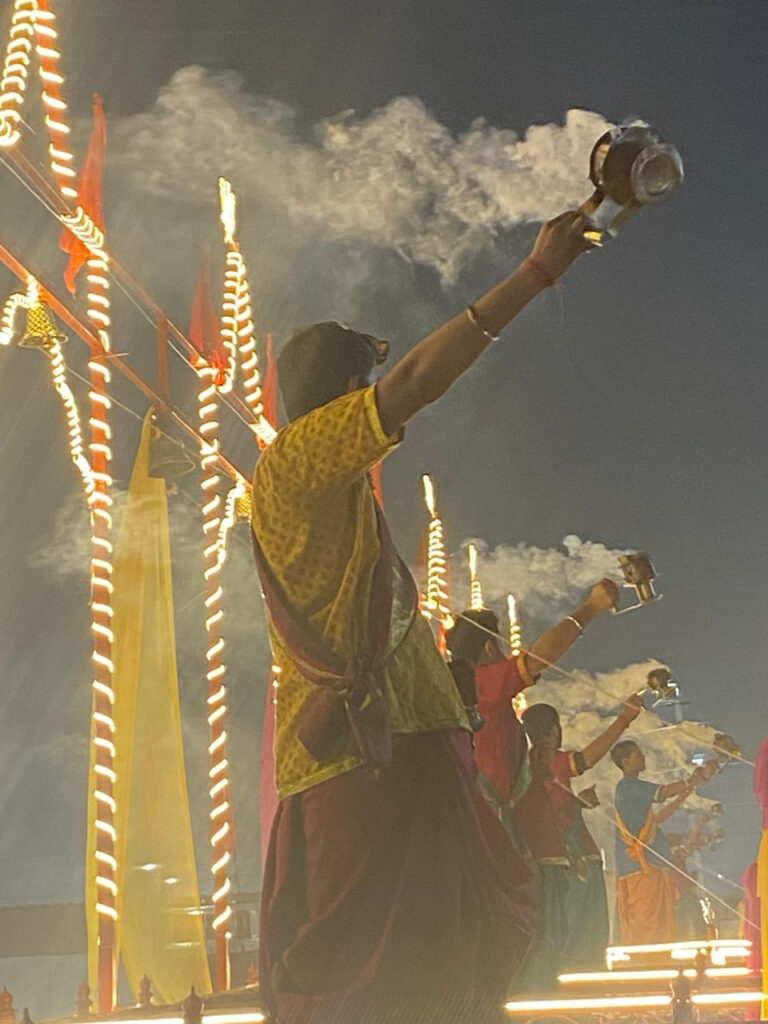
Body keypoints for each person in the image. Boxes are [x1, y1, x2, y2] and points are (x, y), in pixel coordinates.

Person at [251, 211, 596, 1024]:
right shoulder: (295, 459)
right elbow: (411, 384)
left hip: (402, 760)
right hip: (363, 771)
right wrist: (536, 274)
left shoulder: (337, 501)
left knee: (440, 968)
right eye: (357, 391)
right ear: (338, 401)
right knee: (376, 985)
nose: (376, 412)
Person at [445, 580, 619, 827]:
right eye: (501, 643)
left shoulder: (458, 691)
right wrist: (591, 606)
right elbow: (540, 657)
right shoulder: (483, 681)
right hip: (495, 824)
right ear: (489, 648)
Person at [509, 694, 644, 992]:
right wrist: (623, 720)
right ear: (554, 729)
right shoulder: (551, 760)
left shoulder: (523, 766)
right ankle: (577, 989)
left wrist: (577, 802)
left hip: (545, 858)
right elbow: (585, 760)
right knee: (578, 930)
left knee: (554, 930)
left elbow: (542, 803)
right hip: (568, 860)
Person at [611, 739, 718, 944]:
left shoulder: (633, 791)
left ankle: (658, 964)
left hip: (652, 868)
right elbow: (663, 793)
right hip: (641, 871)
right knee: (647, 926)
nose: (642, 757)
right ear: (625, 762)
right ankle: (647, 967)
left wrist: (691, 785)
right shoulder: (627, 786)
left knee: (658, 925)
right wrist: (690, 781)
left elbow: (660, 815)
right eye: (637, 754)